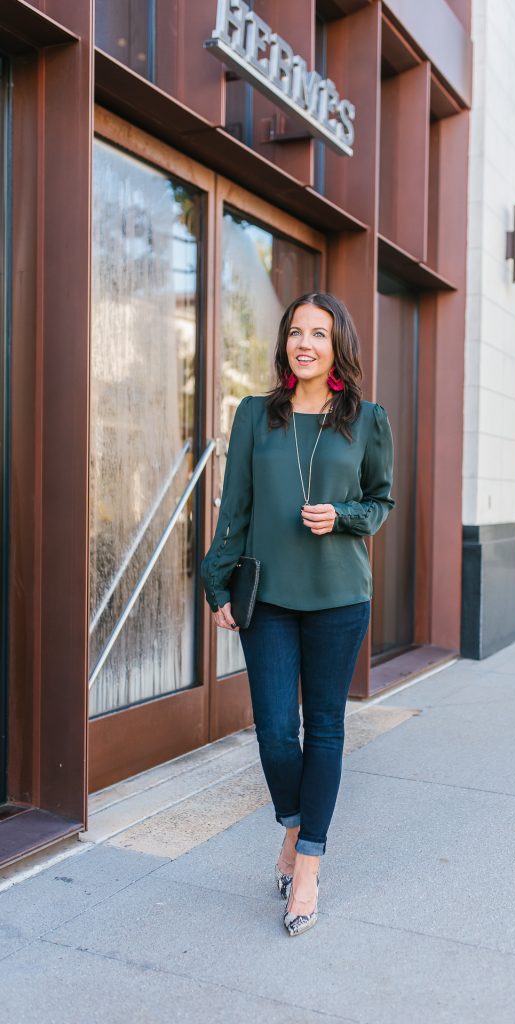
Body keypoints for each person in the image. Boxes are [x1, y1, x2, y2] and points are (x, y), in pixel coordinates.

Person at [200, 292, 396, 937]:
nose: (304, 343)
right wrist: (216, 582)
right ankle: (293, 827)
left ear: (339, 343)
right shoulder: (256, 415)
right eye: (294, 333)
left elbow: (379, 501)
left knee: (328, 729)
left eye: (318, 332)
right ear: (284, 344)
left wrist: (341, 517)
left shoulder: (366, 419)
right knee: (278, 733)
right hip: (270, 599)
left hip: (340, 597)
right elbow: (236, 506)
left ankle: (307, 861)